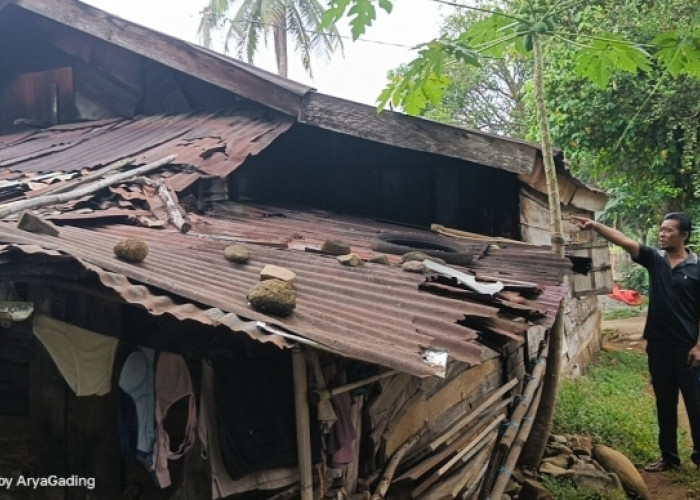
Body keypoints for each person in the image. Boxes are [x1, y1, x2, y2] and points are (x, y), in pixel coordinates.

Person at [571, 213, 700, 472]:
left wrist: (699, 346)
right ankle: (669, 457)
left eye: (669, 230)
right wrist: (595, 226)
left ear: (683, 235)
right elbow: (625, 241)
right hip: (658, 346)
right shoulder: (655, 259)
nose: (662, 234)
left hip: (688, 349)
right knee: (664, 402)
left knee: (696, 404)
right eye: (661, 229)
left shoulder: (697, 268)